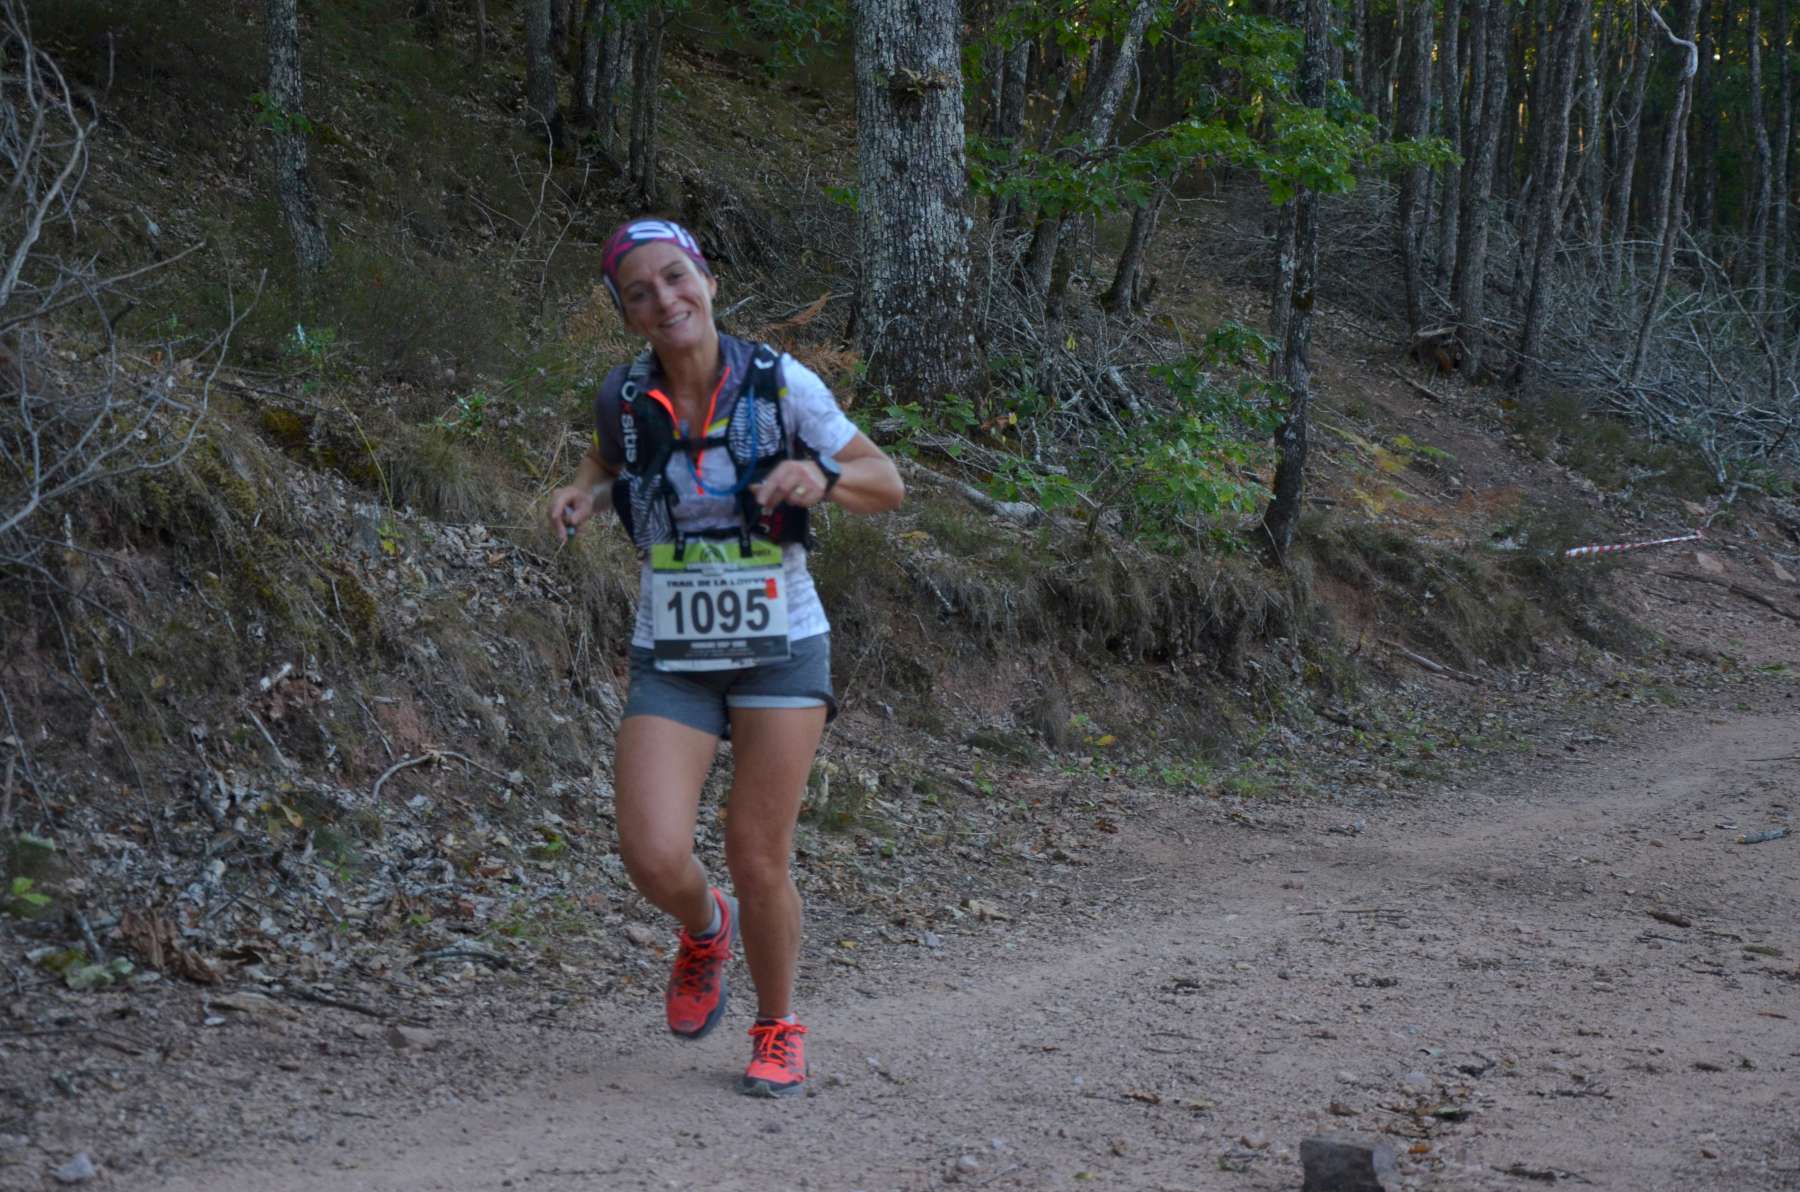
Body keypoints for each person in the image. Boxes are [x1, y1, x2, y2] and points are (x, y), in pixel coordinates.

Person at [546, 218, 904, 1098]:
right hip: (673, 651)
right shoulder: (625, 395)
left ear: (707, 281)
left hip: (781, 643)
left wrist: (824, 479)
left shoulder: (782, 384)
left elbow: (886, 481)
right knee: (652, 852)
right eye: (640, 292)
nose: (664, 299)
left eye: (676, 277)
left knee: (757, 852)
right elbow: (607, 459)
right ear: (627, 313)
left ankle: (778, 1026)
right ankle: (708, 927)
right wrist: (583, 493)